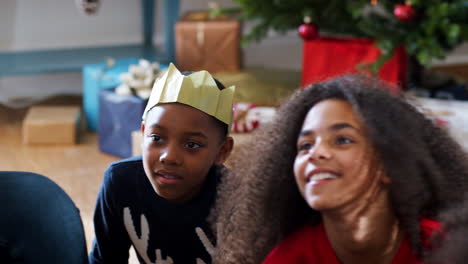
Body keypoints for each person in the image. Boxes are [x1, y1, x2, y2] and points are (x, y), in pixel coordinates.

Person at [211, 74, 468, 264]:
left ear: (391, 162)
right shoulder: (290, 258)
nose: (316, 153)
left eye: (343, 140)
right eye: (305, 145)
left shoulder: (446, 247)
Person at [89, 63, 235, 264]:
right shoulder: (121, 183)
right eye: (157, 138)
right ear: (143, 133)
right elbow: (105, 260)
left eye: (192, 144)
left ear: (222, 151)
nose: (169, 157)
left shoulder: (238, 201)